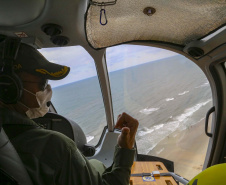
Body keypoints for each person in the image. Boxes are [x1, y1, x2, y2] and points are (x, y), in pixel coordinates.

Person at [0, 42, 139, 185]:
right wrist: (125, 149)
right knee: (97, 165)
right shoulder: (54, 146)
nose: (47, 90)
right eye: (42, 83)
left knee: (96, 164)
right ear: (8, 86)